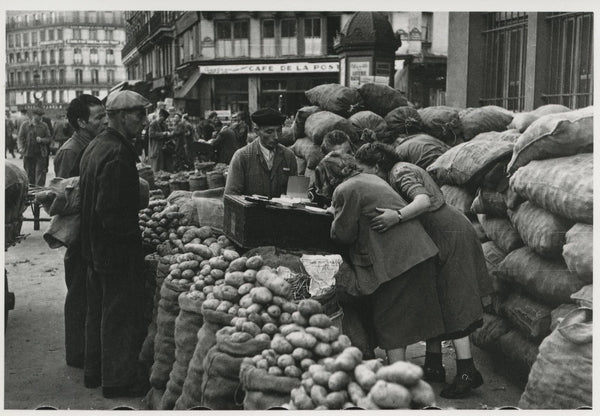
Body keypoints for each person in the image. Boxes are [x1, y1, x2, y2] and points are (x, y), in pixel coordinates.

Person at [355, 142, 492, 398]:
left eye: (364, 171)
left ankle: (467, 372)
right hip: (436, 237)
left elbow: (422, 201)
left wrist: (395, 217)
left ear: (377, 166)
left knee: (455, 303)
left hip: (450, 236)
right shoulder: (395, 172)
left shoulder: (399, 171)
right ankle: (433, 364)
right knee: (436, 299)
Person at [314, 152, 445, 364]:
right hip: (419, 251)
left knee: (390, 319)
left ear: (328, 177)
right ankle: (432, 367)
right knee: (421, 316)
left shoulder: (345, 189)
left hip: (394, 260)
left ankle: (397, 377)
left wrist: (333, 214)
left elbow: (343, 234)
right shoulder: (372, 178)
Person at [79, 90, 151, 398]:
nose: (145, 121)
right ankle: (118, 382)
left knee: (99, 312)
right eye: (139, 114)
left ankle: (95, 373)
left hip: (94, 246)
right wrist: (135, 243)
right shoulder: (118, 154)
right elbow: (110, 211)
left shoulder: (97, 145)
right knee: (119, 316)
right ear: (122, 117)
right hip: (114, 250)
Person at [53, 94, 107, 369]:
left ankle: (88, 351)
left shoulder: (94, 144)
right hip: (78, 234)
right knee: (78, 294)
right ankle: (76, 354)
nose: (104, 121)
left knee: (90, 294)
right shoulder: (71, 151)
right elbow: (63, 197)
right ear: (81, 122)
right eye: (98, 117)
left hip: (92, 231)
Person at [225, 108, 297, 197]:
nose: (276, 137)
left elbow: (295, 196)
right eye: (269, 132)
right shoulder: (242, 157)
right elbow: (231, 197)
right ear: (257, 131)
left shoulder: (289, 156)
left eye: (278, 130)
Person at [17, 106, 51, 186]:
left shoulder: (44, 126)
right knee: (29, 175)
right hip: (28, 153)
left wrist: (42, 140)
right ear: (33, 115)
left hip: (40, 153)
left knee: (40, 175)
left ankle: (39, 194)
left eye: (41, 115)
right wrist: (20, 148)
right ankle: (30, 193)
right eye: (38, 115)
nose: (40, 117)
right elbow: (20, 137)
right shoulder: (25, 125)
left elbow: (49, 138)